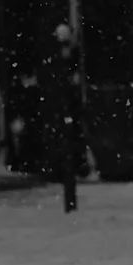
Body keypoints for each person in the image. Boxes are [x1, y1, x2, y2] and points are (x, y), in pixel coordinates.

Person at [35, 20, 88, 212]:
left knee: (67, 141)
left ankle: (68, 173)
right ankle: (66, 173)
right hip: (62, 107)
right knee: (65, 141)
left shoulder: (65, 60)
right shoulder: (59, 60)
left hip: (65, 108)